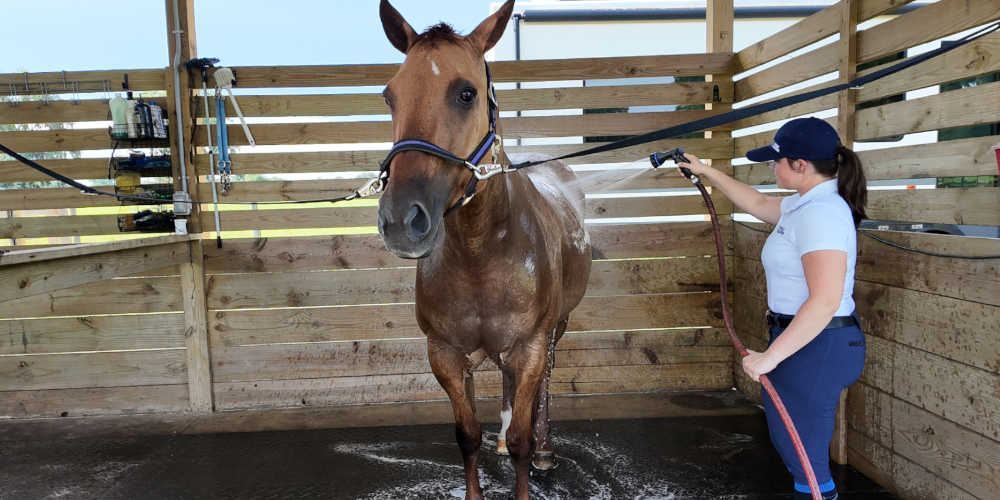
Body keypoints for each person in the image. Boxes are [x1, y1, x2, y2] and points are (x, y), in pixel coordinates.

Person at [677, 117, 867, 500]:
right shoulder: (803, 204)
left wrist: (770, 357)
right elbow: (759, 203)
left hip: (819, 345)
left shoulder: (822, 214)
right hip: (804, 341)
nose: (771, 167)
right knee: (794, 447)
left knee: (806, 457)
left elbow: (825, 300)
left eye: (776, 161)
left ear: (800, 165)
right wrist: (705, 172)